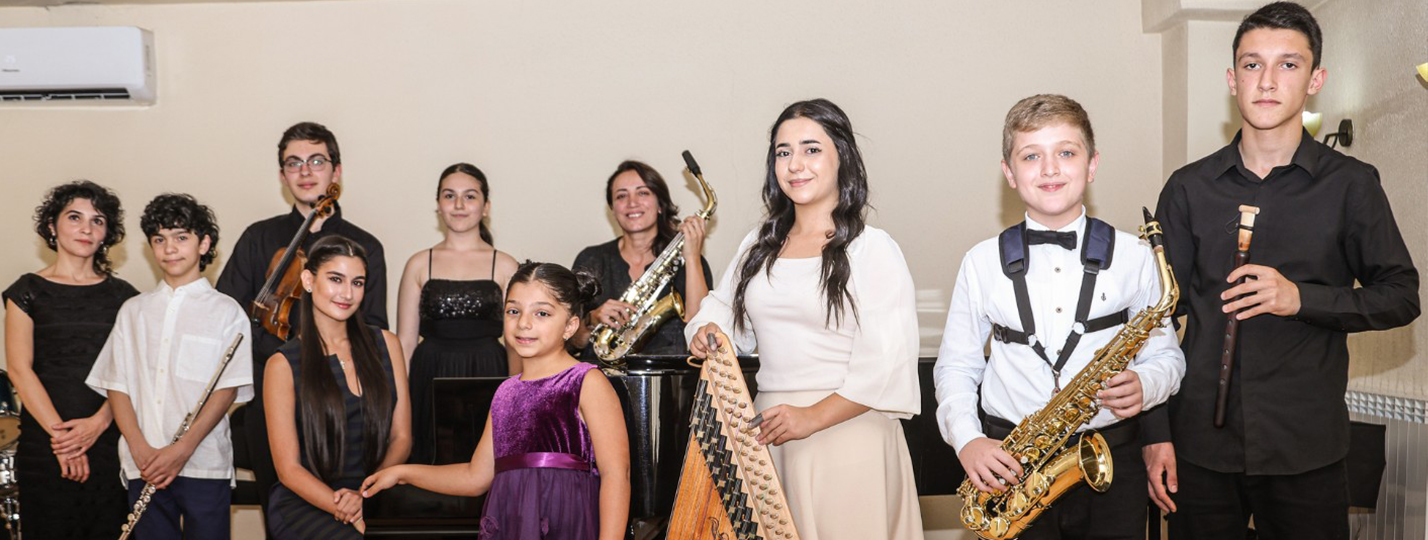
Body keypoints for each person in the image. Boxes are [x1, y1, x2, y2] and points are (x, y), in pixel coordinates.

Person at [1147, 3, 1420, 538]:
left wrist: (1303, 299)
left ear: (1315, 79)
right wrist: (1156, 433)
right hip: (1199, 447)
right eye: (1252, 65)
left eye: (1288, 65)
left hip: (1306, 449)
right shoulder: (1187, 188)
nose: (1268, 81)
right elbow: (1153, 320)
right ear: (1232, 79)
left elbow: (1401, 295)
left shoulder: (1352, 184)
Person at [933, 94, 1186, 539]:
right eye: (1031, 156)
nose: (1050, 169)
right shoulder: (980, 262)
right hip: (1012, 464)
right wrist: (968, 440)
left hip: (1111, 462)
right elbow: (957, 365)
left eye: (1066, 153)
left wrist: (1148, 384)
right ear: (1009, 173)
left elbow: (1168, 358)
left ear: (1092, 165)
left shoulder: (1134, 256)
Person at [686, 99, 924, 540]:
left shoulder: (872, 248)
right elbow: (718, 311)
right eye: (782, 151)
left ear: (842, 157)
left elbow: (886, 362)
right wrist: (707, 333)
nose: (795, 163)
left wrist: (811, 418)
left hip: (849, 435)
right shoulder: (759, 243)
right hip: (768, 436)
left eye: (811, 149)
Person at [361, 262, 631, 540]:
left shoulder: (586, 382)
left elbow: (616, 476)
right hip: (511, 524)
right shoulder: (505, 393)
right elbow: (475, 477)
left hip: (567, 525)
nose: (524, 323)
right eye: (514, 311)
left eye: (542, 313)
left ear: (570, 325)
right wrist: (402, 473)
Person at [217, 121, 390, 531]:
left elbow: (375, 325)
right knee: (279, 511)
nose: (306, 171)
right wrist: (285, 358)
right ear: (282, 176)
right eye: (293, 163)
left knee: (351, 509)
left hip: (344, 403)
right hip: (270, 392)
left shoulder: (364, 246)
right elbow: (230, 315)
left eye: (317, 160)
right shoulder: (258, 238)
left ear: (337, 171)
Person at [86, 193, 254, 539]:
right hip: (142, 464)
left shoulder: (227, 312)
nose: (170, 248)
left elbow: (226, 391)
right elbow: (117, 385)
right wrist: (139, 448)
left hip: (204, 463)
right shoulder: (133, 311)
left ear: (204, 244)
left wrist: (182, 449)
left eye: (181, 237)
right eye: (159, 239)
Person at [3, 180, 138, 539]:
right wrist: (63, 440)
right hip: (44, 444)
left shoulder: (125, 297)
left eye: (98, 220)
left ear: (107, 233)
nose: (86, 228)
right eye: (75, 217)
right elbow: (19, 369)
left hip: (108, 440)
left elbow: (130, 374)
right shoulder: (26, 291)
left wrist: (97, 425)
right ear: (52, 226)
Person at [262, 236, 411, 539]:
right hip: (306, 502)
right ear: (308, 280)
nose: (347, 293)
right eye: (335, 279)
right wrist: (341, 507)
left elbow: (402, 437)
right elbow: (288, 470)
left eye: (357, 283)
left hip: (375, 493)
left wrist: (363, 496)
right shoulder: (281, 365)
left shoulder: (388, 345)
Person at [396, 163, 519, 464]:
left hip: (490, 374)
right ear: (438, 205)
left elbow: (518, 343)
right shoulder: (418, 263)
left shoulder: (505, 266)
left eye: (470, 196)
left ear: (486, 206)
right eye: (450, 196)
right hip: (429, 376)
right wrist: (399, 408)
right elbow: (405, 344)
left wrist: (518, 398)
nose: (459, 205)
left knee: (488, 468)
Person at [571, 160, 713, 358]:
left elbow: (700, 326)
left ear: (660, 205)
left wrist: (692, 257)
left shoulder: (690, 261)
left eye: (643, 192)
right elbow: (570, 343)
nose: (632, 202)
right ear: (613, 209)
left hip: (672, 383)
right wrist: (591, 320)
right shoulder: (591, 259)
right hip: (599, 381)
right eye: (621, 196)